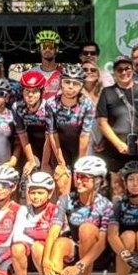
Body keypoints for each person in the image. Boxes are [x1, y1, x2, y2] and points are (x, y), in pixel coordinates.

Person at [49, 156, 114, 275]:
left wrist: (78, 267)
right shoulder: (66, 200)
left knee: (87, 229)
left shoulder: (107, 205)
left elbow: (102, 243)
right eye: (77, 176)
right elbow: (54, 230)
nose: (78, 181)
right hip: (78, 249)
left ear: (98, 181)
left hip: (99, 256)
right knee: (60, 242)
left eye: (84, 177)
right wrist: (46, 261)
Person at [96, 57, 138, 194]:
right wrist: (118, 144)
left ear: (133, 70)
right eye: (120, 70)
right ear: (114, 72)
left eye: (127, 68)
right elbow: (102, 122)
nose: (124, 72)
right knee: (117, 189)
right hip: (115, 149)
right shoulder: (107, 92)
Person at [47, 64, 96, 198]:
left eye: (75, 84)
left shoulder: (87, 105)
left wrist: (80, 163)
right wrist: (61, 162)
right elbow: (52, 133)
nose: (70, 87)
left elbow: (85, 135)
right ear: (61, 83)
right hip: (61, 148)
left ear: (81, 86)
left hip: (81, 148)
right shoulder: (51, 104)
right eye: (67, 82)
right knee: (62, 182)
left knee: (82, 183)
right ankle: (63, 209)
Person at [12, 70, 50, 178]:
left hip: (48, 143)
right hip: (30, 144)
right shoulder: (17, 107)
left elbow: (50, 137)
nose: (30, 95)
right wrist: (31, 160)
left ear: (42, 92)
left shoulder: (48, 107)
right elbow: (22, 135)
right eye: (27, 90)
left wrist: (45, 163)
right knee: (29, 172)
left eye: (35, 91)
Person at [25, 30, 64, 100]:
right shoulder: (30, 73)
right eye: (44, 46)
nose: (47, 49)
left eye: (51, 46)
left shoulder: (63, 73)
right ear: (39, 49)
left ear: (57, 49)